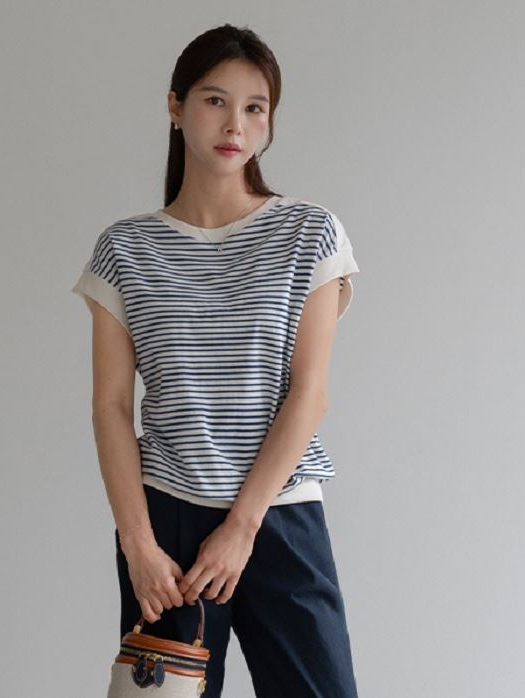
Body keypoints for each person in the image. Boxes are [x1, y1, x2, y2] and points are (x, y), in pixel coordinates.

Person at [71, 23, 361, 698]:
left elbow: (309, 393)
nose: (235, 124)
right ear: (175, 107)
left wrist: (241, 527)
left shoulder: (308, 233)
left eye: (255, 107)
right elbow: (111, 407)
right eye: (214, 100)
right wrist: (138, 545)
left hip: (278, 514)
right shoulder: (125, 250)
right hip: (165, 527)